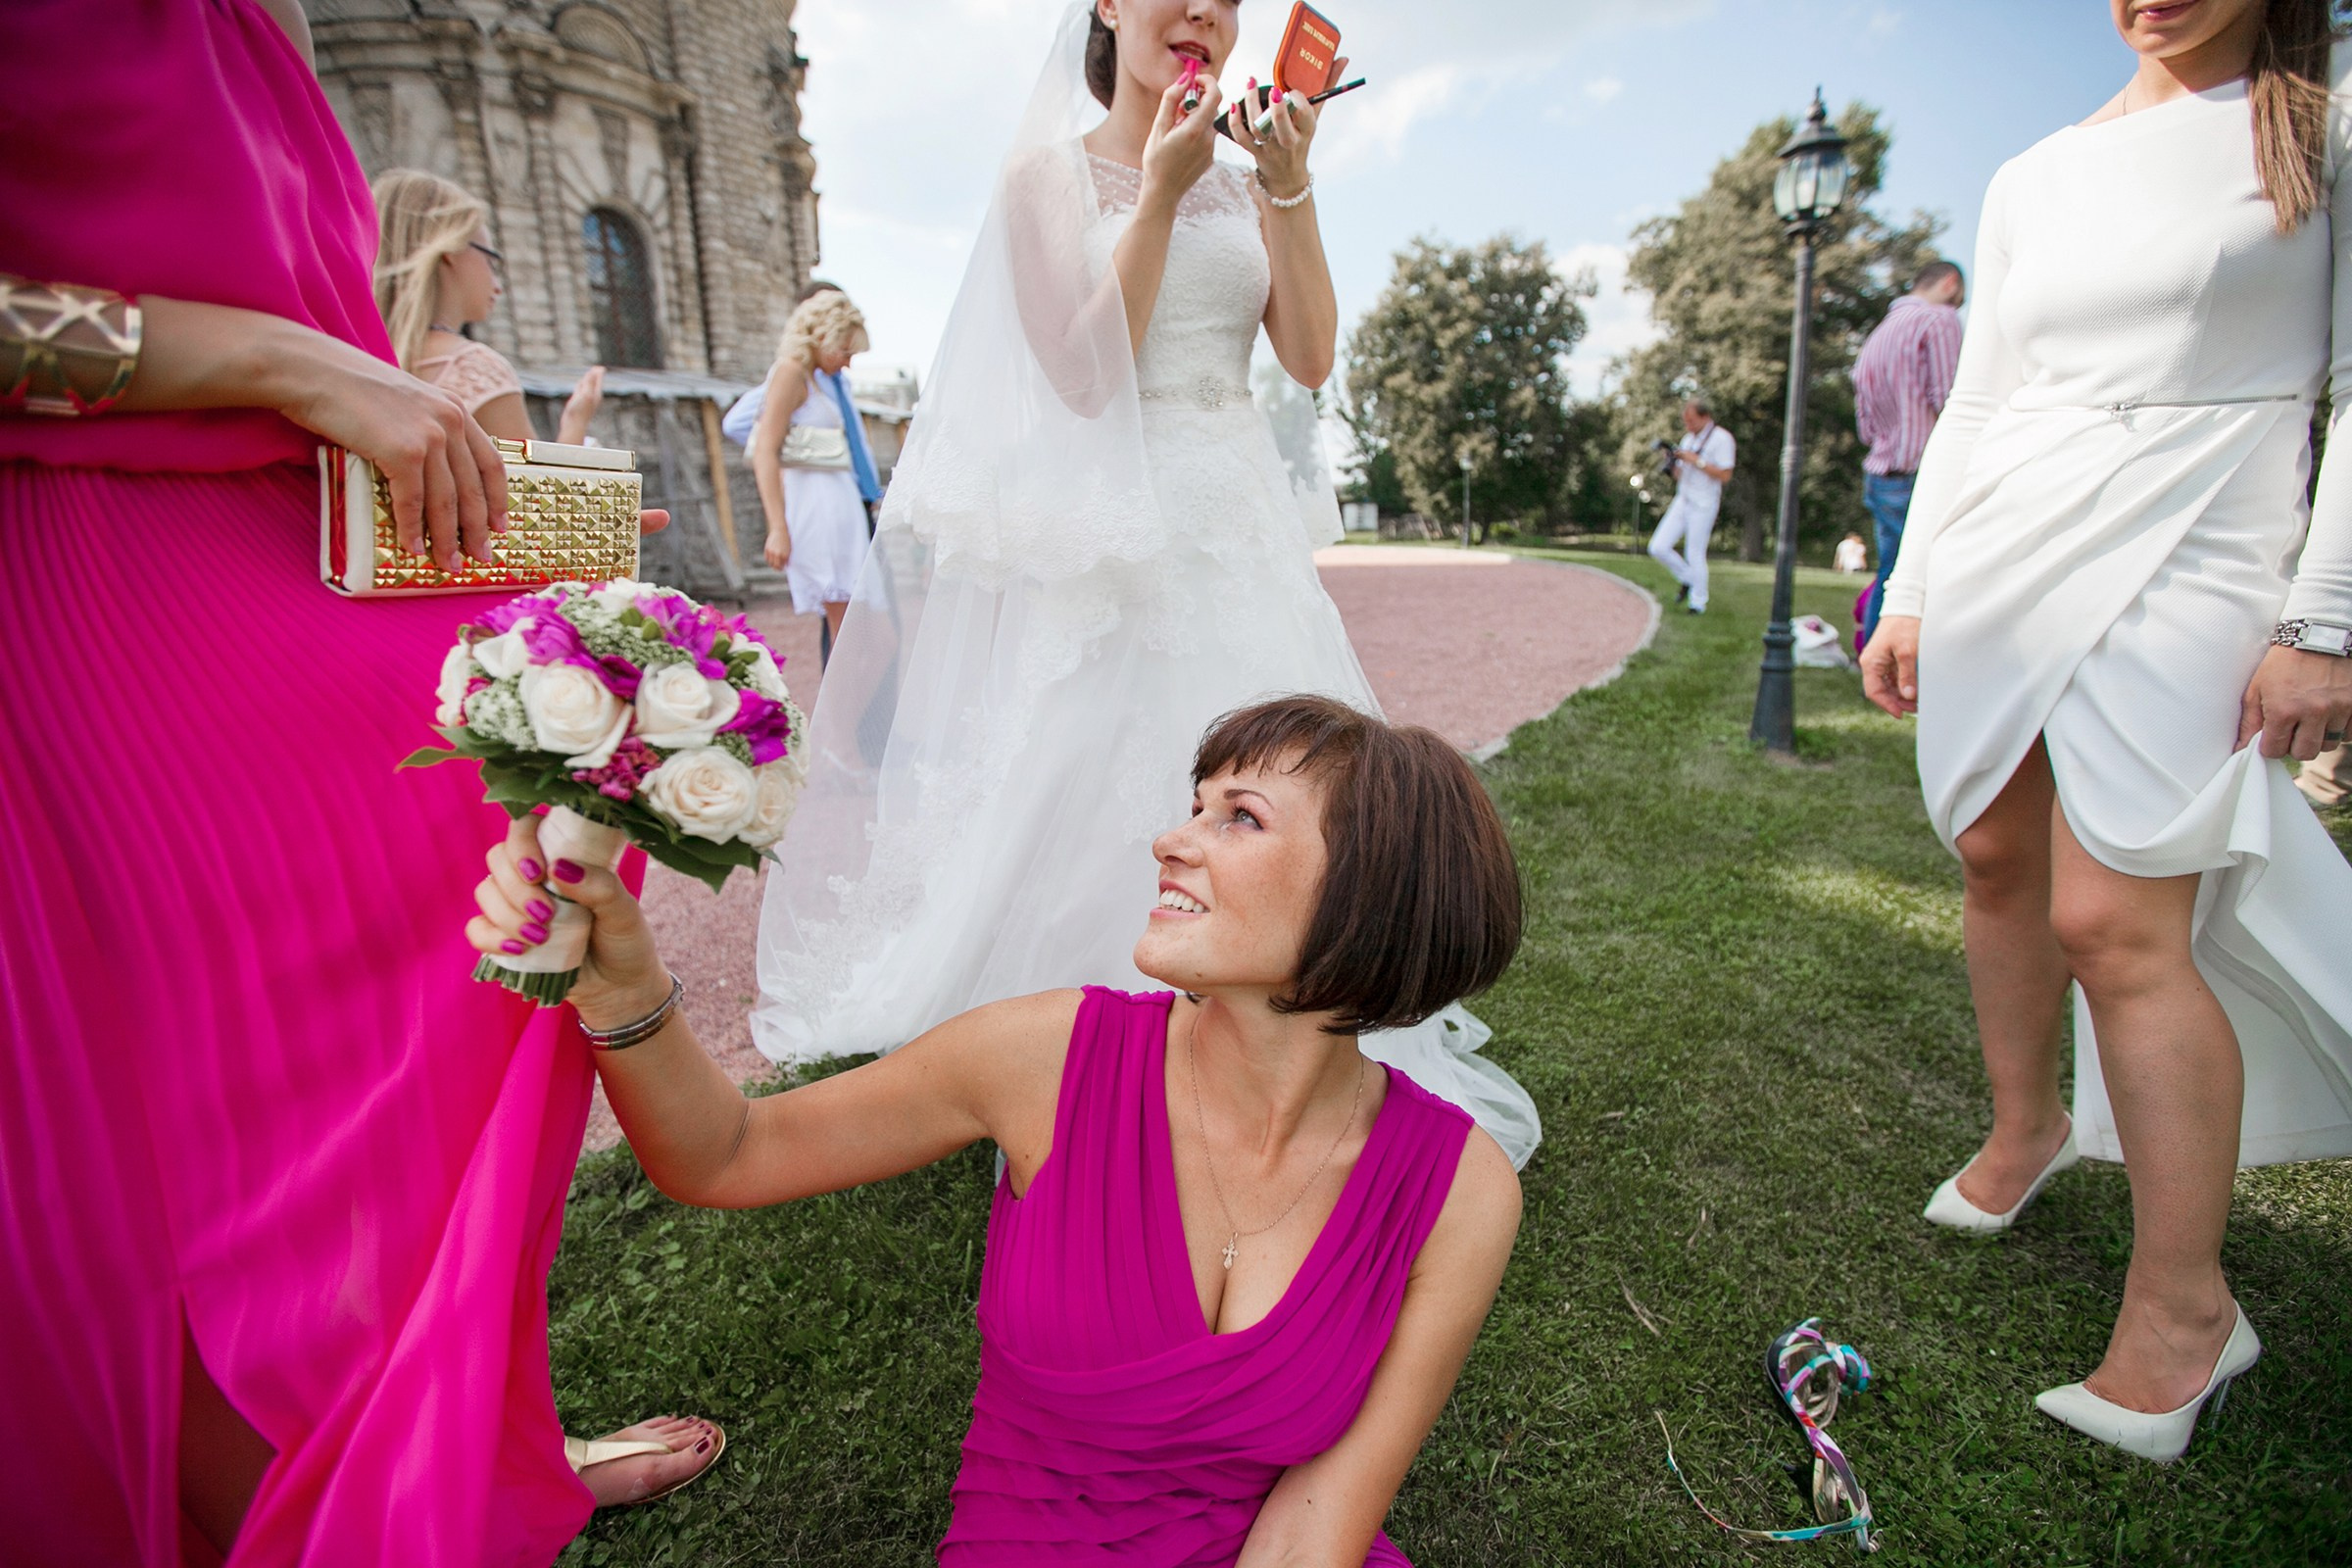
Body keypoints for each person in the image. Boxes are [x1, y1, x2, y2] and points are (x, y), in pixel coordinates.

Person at [0, 4, 694, 1558]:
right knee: (206, 1118)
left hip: (303, 540)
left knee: (551, 830)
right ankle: (367, 1472)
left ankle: (448, 1427)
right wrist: (286, 361)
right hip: (98, 561)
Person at [751, 0, 1541, 1167]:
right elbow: (1080, 375)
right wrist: (1163, 191)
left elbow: (1311, 355)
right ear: (1109, 6)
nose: (1207, 16)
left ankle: (1278, 1001)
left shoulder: (1245, 169)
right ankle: (1100, 1030)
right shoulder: (1044, 180)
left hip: (1239, 517)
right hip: (1116, 525)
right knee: (1094, 759)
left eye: (1227, 2)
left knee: (1293, 770)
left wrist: (1288, 183)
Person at [466, 696, 1524, 1566]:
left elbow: (1315, 1530)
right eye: (1190, 806)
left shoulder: (1462, 1191)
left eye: (1238, 816)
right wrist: (627, 991)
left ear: (1377, 888)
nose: (1169, 839)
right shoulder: (1044, 1057)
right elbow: (726, 1154)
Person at [1860, 0, 2352, 1462]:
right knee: (1999, 856)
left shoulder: (2322, 133)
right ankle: (2026, 1131)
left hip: (2203, 535)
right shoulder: (2033, 173)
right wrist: (1914, 588)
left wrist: (2322, 618)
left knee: (2119, 918)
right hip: (2012, 540)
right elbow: (1987, 401)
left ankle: (2188, 1311)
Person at [370, 167, 607, 447]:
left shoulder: (357, 357)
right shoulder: (476, 368)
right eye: (491, 260)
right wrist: (575, 423)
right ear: (451, 252)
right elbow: (536, 489)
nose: (497, 284)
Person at [747, 288, 882, 649]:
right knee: (852, 639)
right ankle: (840, 706)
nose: (848, 362)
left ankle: (848, 705)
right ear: (822, 337)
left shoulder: (815, 380)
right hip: (818, 514)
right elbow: (765, 451)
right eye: (845, 351)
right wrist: (777, 528)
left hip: (839, 512)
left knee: (865, 638)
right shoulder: (790, 373)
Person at [1851, 260, 1965, 644]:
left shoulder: (1880, 333)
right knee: (1934, 578)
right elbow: (1953, 401)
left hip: (1881, 472)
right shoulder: (1940, 320)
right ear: (1951, 284)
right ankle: (1912, 669)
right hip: (1922, 471)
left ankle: (1873, 658)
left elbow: (1863, 416)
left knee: (1892, 573)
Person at [1645, 398, 1736, 614]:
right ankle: (1688, 578)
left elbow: (1725, 475)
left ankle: (1698, 603)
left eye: (1692, 421)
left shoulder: (1722, 439)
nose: (1689, 426)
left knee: (1694, 552)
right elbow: (1682, 475)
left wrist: (1697, 460)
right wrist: (1672, 465)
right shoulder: (1687, 440)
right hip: (1683, 499)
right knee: (1657, 547)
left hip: (1704, 503)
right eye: (1686, 422)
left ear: (1705, 417)